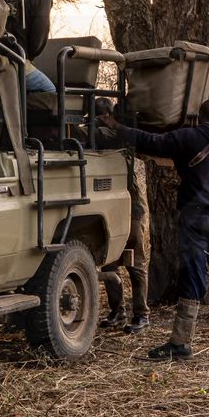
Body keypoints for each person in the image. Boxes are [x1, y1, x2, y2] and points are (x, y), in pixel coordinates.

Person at [98, 97, 209, 360]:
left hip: (195, 217)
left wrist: (117, 126)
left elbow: (151, 142)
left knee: (193, 275)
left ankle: (181, 343)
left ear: (199, 117)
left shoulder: (190, 137)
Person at [93, 98, 150, 334]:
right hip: (113, 206)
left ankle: (142, 315)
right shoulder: (113, 134)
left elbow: (99, 134)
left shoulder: (115, 135)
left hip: (132, 208)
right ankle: (118, 312)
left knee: (135, 263)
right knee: (110, 262)